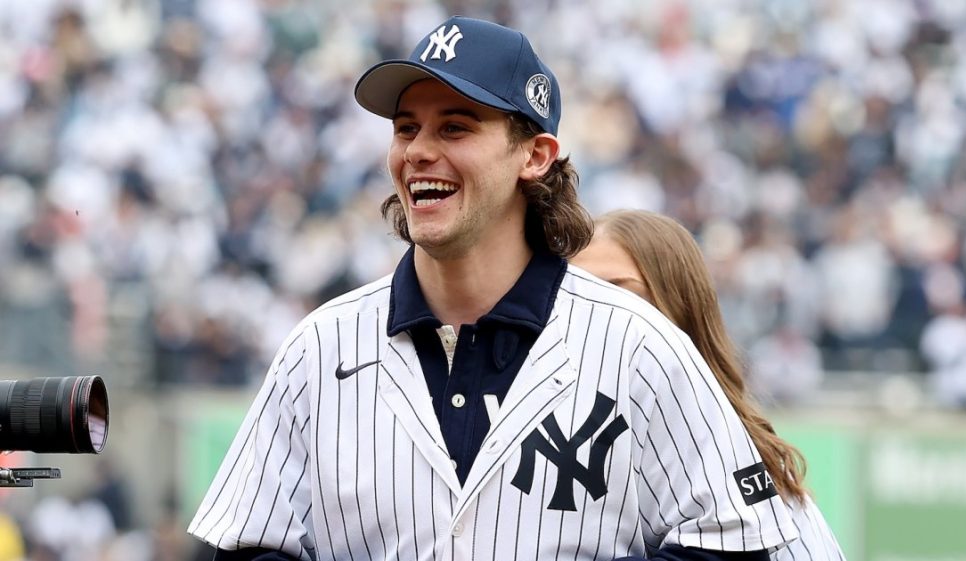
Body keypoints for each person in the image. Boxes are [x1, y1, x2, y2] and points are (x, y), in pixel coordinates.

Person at [188, 16, 798, 561]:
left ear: (534, 155)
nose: (419, 152)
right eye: (406, 128)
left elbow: (733, 544)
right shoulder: (318, 350)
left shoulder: (641, 346)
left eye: (455, 127)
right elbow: (252, 546)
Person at [571, 209, 846, 560]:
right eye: (577, 294)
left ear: (678, 304)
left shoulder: (753, 474)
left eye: (617, 292)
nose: (593, 310)